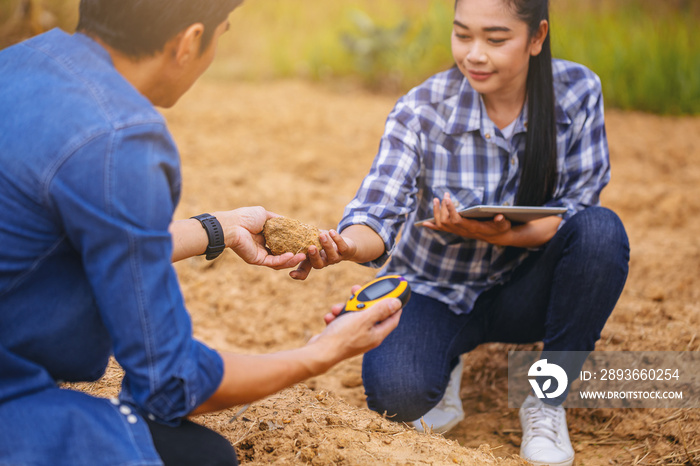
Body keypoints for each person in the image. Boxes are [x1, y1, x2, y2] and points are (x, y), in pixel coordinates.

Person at [0, 1, 403, 465]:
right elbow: (172, 381)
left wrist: (218, 229)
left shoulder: (25, 59)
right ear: (189, 41)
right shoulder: (122, 137)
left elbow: (77, 241)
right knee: (203, 457)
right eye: (222, 33)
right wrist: (323, 352)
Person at [292, 0, 630, 464]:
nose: (474, 54)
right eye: (462, 34)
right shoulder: (421, 108)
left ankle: (547, 397)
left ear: (537, 37)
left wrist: (497, 236)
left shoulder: (576, 91)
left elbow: (573, 212)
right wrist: (345, 245)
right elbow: (378, 206)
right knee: (397, 397)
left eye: (495, 39)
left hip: (524, 291)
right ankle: (445, 365)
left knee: (602, 232)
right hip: (436, 289)